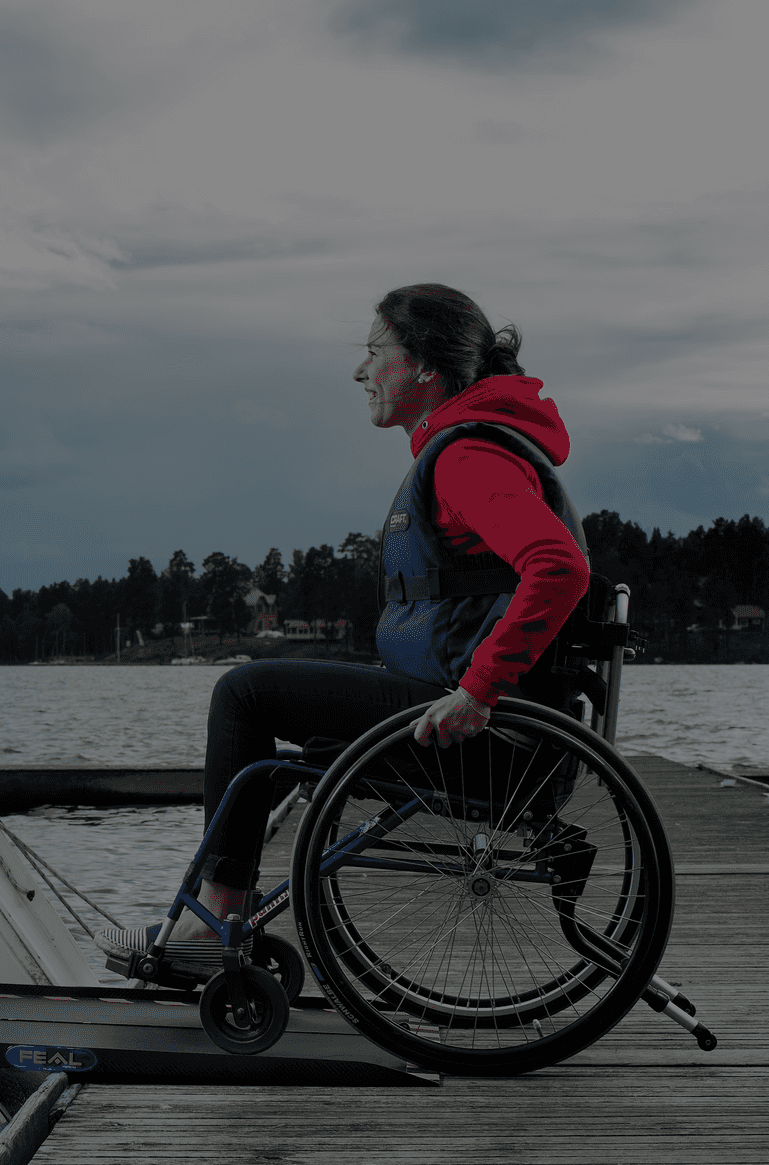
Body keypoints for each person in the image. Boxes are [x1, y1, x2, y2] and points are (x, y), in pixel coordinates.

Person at [172, 283, 590, 939]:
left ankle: (218, 917)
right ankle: (224, 911)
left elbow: (559, 566)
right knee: (271, 706)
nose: (360, 371)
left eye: (375, 352)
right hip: (498, 730)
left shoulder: (467, 456)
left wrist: (478, 691)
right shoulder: (474, 445)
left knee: (244, 694)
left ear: (423, 364)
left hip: (486, 740)